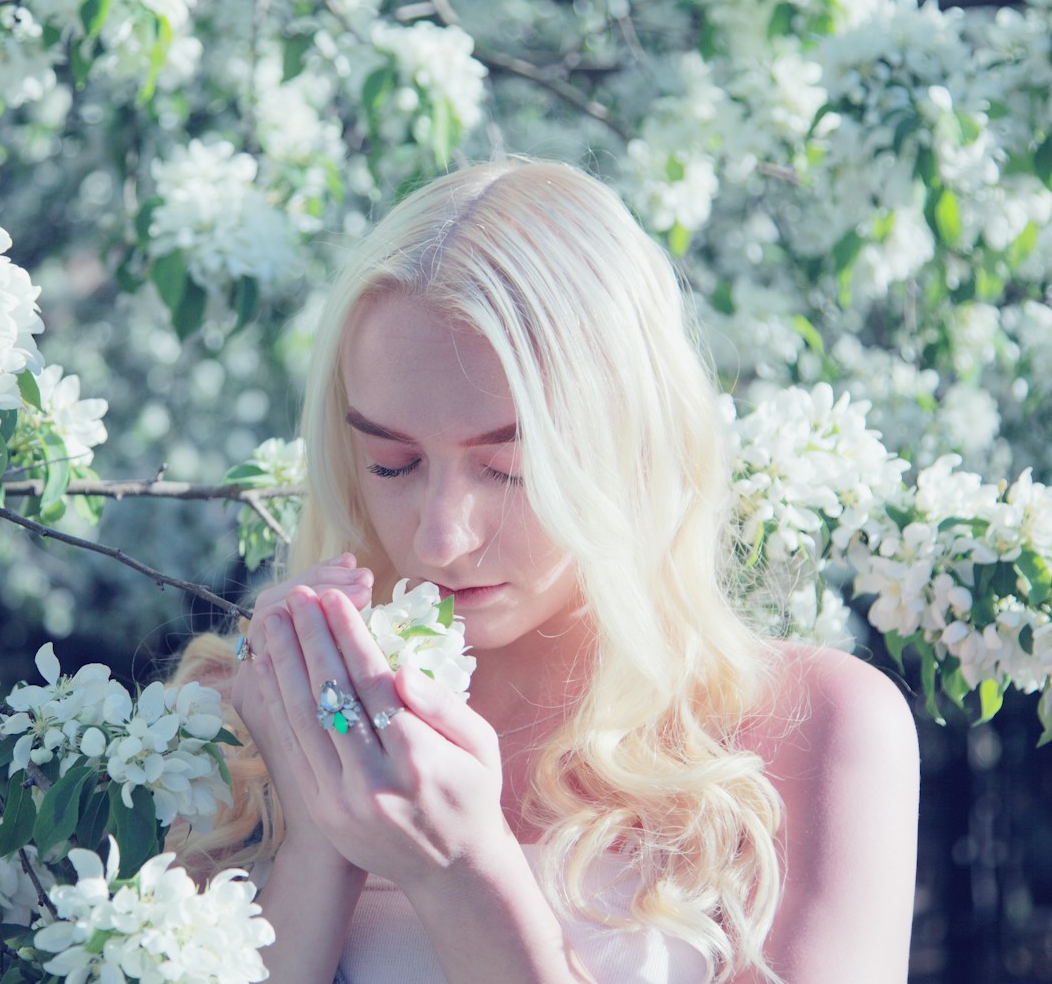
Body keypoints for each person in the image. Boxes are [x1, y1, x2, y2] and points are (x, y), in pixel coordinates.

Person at [173, 159, 919, 983]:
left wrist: (464, 872)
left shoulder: (809, 729)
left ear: (633, 440)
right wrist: (321, 832)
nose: (440, 536)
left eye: (510, 467)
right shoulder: (241, 723)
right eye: (392, 462)